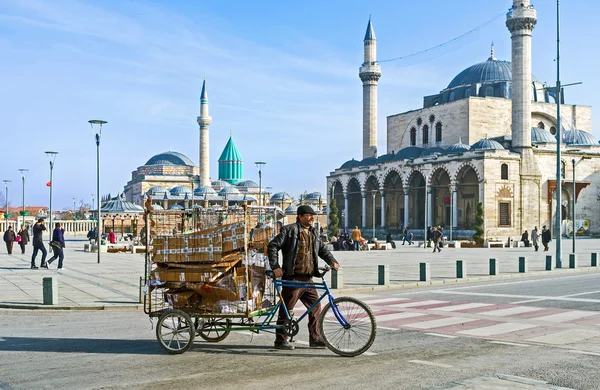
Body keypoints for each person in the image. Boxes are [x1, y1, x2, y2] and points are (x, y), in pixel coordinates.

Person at [267, 205, 340, 351]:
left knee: (316, 307)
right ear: (299, 216)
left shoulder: (313, 232)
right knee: (287, 308)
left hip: (308, 278)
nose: (312, 217)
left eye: (313, 215)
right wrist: (275, 267)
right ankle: (280, 340)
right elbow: (273, 245)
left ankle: (315, 338)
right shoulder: (289, 230)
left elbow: (322, 250)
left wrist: (332, 261)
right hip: (293, 278)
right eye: (308, 215)